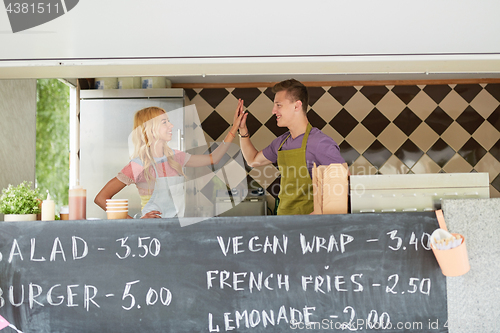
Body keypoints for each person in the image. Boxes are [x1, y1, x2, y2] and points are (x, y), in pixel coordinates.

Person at [95, 106, 243, 218]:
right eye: (164, 122)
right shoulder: (138, 165)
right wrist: (135, 223)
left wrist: (234, 128)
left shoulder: (175, 157)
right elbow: (101, 198)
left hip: (176, 230)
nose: (171, 126)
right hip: (151, 234)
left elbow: (213, 158)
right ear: (150, 128)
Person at [234, 79, 346, 215]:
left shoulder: (320, 143)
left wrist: (316, 217)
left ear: (297, 106)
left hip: (309, 225)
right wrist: (242, 130)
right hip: (283, 219)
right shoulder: (281, 143)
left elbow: (343, 183)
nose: (273, 111)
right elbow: (252, 160)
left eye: (278, 105)